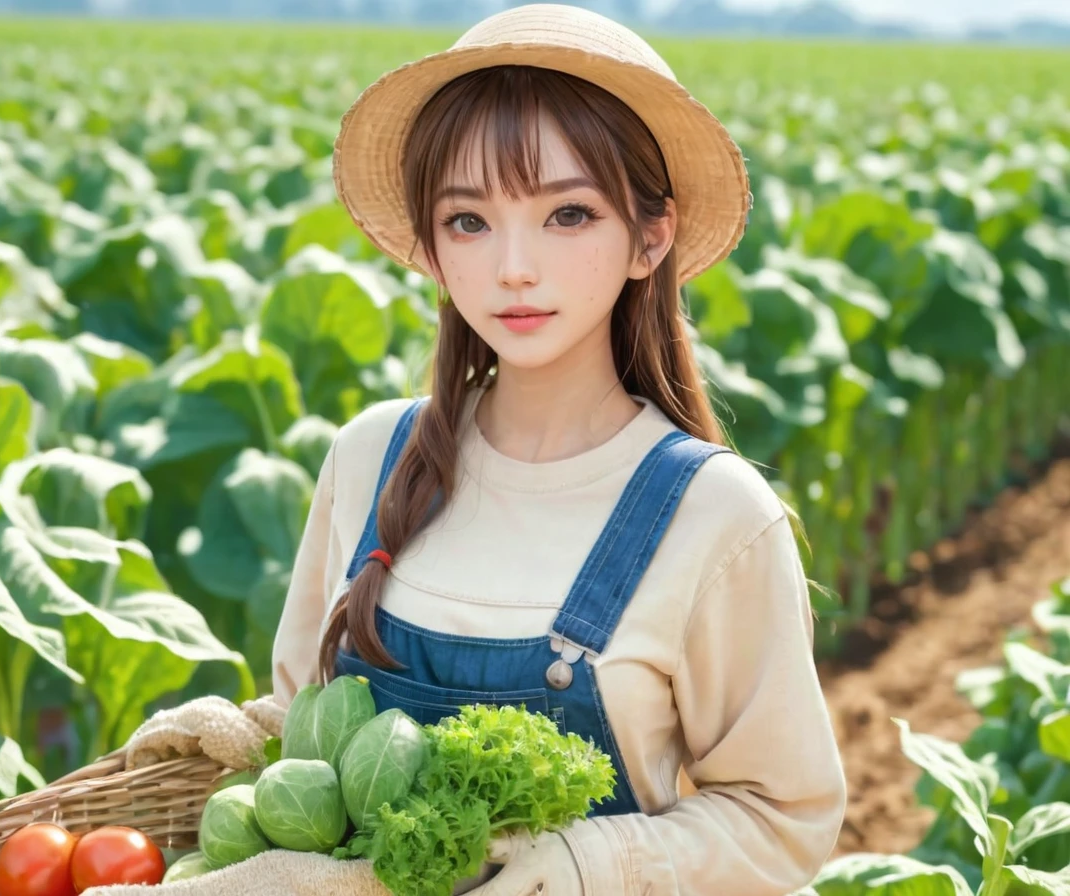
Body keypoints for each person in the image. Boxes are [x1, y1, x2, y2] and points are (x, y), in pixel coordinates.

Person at [268, 4, 848, 895]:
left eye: (567, 214)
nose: (513, 268)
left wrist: (590, 862)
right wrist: (241, 740)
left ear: (650, 238)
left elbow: (782, 819)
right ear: (428, 244)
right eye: (469, 221)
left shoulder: (714, 514)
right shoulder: (367, 456)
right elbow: (299, 725)